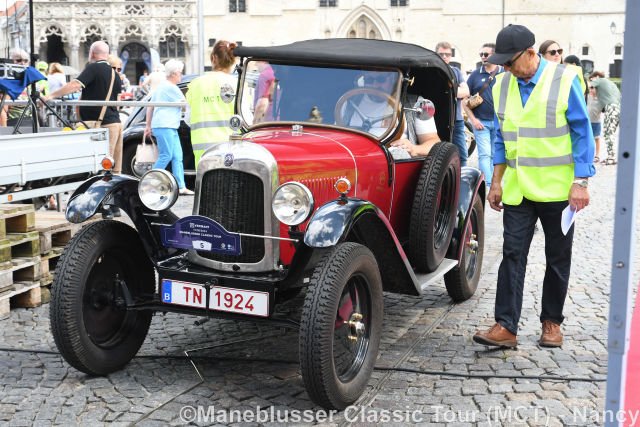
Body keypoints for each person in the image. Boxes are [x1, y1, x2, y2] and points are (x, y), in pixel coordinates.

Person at [473, 24, 595, 349]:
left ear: (531, 54)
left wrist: (580, 182)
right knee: (512, 254)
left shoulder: (565, 79)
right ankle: (505, 326)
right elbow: (501, 138)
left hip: (559, 190)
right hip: (518, 189)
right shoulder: (500, 85)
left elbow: (583, 132)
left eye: (511, 62)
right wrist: (496, 181)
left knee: (557, 257)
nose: (507, 69)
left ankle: (552, 322)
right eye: (503, 64)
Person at [43, 41, 124, 174]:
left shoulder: (93, 68)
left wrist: (51, 96)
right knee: (114, 170)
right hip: (115, 123)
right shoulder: (115, 74)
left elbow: (75, 85)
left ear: (92, 54)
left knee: (100, 170)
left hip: (101, 126)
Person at [343, 71, 440, 157]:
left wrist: (414, 149)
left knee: (398, 154)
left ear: (394, 79)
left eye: (381, 79)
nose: (375, 85)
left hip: (394, 161)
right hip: (355, 156)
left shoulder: (416, 104)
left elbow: (434, 143)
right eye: (369, 80)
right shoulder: (350, 103)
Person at [143, 59, 193, 195]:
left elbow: (150, 107)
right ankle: (148, 183)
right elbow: (186, 104)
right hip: (166, 125)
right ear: (175, 73)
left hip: (165, 125)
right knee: (168, 155)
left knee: (177, 156)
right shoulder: (172, 88)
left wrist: (148, 125)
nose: (181, 75)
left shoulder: (161, 86)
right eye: (180, 73)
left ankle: (181, 186)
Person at [186, 40, 238, 166]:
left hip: (203, 151)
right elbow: (247, 119)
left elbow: (188, 119)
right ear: (233, 60)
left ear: (213, 58)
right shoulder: (238, 84)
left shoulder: (195, 84)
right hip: (232, 150)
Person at [463, 43, 503, 186]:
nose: (483, 57)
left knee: (494, 154)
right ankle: (488, 184)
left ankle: (494, 182)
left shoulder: (504, 73)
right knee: (485, 154)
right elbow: (464, 101)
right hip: (481, 123)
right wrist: (473, 120)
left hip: (499, 122)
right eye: (481, 55)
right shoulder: (475, 75)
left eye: (486, 54)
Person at [435, 41, 470, 166]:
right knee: (437, 155)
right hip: (436, 119)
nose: (444, 57)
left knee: (462, 155)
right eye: (441, 54)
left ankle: (462, 181)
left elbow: (466, 91)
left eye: (447, 54)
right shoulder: (432, 71)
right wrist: (455, 91)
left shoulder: (456, 71)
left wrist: (446, 91)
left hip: (457, 120)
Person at [589, 71, 620, 165]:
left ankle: (612, 158)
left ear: (597, 76)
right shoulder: (611, 84)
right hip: (617, 107)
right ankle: (611, 156)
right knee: (610, 132)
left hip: (611, 108)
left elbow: (589, 85)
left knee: (608, 133)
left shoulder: (600, 80)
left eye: (592, 79)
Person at [3, 48, 33, 128]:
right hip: (14, 124)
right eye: (18, 60)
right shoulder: (6, 82)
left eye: (26, 61)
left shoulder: (30, 82)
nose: (22, 63)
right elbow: (3, 111)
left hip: (30, 123)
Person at [587, 84, 603, 162]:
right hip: (588, 121)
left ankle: (597, 155)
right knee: (588, 139)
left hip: (596, 122)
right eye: (590, 88)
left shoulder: (600, 98)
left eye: (593, 88)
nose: (591, 90)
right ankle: (588, 154)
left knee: (596, 138)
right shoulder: (588, 97)